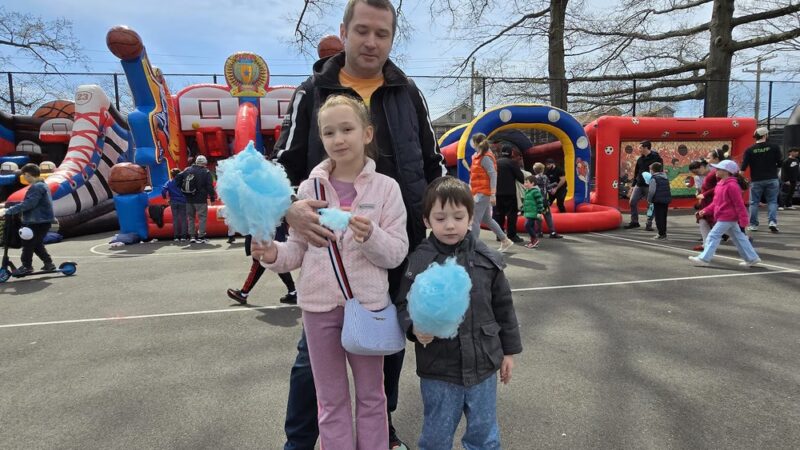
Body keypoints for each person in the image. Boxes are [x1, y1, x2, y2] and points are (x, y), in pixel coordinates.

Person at [270, 1, 445, 447]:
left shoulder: (407, 92)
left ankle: (381, 432)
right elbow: (282, 163)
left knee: (384, 344)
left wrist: (446, 228)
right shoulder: (313, 91)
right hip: (328, 254)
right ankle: (300, 441)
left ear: (392, 38)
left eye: (382, 34)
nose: (371, 42)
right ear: (344, 31)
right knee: (312, 363)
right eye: (362, 30)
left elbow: (432, 164)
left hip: (397, 243)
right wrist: (290, 208)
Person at [254, 94, 409, 449]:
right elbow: (297, 250)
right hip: (318, 308)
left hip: (367, 307)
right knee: (330, 399)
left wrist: (371, 236)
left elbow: (396, 253)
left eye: (347, 129)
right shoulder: (309, 189)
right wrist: (272, 253)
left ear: (367, 133)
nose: (338, 139)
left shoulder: (387, 189)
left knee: (372, 397)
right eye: (328, 132)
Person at [394, 176, 522, 450]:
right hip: (439, 369)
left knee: (484, 436)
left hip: (484, 365)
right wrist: (414, 328)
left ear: (471, 217)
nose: (450, 225)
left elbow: (504, 307)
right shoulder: (420, 260)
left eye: (458, 217)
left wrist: (509, 352)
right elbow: (403, 304)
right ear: (427, 221)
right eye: (440, 218)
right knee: (436, 437)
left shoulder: (486, 258)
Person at [689, 160, 760, 267]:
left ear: (727, 171)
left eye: (718, 169)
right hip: (724, 216)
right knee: (739, 237)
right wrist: (705, 210)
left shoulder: (732, 186)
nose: (715, 170)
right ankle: (752, 258)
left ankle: (704, 258)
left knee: (713, 235)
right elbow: (716, 202)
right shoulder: (720, 184)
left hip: (728, 217)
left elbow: (739, 204)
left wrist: (744, 219)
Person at [2, 163, 55, 276]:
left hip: (37, 221)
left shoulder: (36, 187)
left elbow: (29, 203)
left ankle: (27, 266)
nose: (24, 177)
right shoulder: (42, 185)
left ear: (28, 174)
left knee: (28, 244)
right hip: (41, 220)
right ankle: (48, 263)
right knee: (36, 244)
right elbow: (31, 202)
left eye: (24, 175)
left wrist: (10, 210)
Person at [226, 226, 297, 305]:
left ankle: (243, 293)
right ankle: (293, 292)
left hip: (266, 234)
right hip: (270, 234)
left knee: (260, 263)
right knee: (277, 263)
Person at [469, 134, 514, 252]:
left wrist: (493, 193)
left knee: (474, 220)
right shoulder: (479, 156)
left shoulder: (485, 157)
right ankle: (505, 240)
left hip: (482, 192)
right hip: (480, 191)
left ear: (476, 142)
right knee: (487, 219)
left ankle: (473, 247)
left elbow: (493, 174)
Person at [741, 126, 782, 233]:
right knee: (772, 201)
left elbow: (743, 166)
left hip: (756, 180)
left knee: (754, 203)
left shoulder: (749, 150)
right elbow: (780, 163)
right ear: (765, 135)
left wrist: (739, 178)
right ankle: (772, 222)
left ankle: (753, 225)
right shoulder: (774, 147)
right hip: (772, 178)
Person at [175, 154, 216, 243]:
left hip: (189, 198)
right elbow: (209, 186)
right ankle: (201, 236)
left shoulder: (187, 170)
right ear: (205, 163)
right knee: (202, 217)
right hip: (201, 199)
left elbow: (177, 177)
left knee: (191, 218)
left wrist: (181, 189)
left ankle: (192, 236)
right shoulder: (206, 172)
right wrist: (212, 197)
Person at [625, 140, 662, 230]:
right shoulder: (640, 159)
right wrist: (633, 186)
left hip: (650, 185)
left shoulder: (656, 158)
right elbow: (636, 173)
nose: (639, 149)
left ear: (646, 147)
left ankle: (649, 224)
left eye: (640, 148)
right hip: (639, 184)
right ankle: (634, 222)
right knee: (632, 202)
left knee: (651, 205)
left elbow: (659, 172)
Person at [493, 144, 525, 243]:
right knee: (512, 215)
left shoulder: (496, 162)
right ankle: (512, 235)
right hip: (510, 193)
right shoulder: (512, 163)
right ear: (511, 153)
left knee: (499, 214)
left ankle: (500, 235)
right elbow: (521, 178)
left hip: (497, 192)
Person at [532, 162, 563, 239]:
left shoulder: (533, 178)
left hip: (536, 201)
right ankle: (552, 232)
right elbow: (548, 187)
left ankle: (539, 232)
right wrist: (554, 185)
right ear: (542, 170)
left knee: (538, 216)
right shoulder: (545, 177)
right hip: (544, 201)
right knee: (548, 216)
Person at [161, 168, 189, 242]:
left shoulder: (169, 182)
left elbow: (163, 190)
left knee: (175, 219)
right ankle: (184, 236)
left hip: (173, 201)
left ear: (171, 175)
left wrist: (165, 198)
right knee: (183, 219)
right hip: (183, 201)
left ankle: (176, 236)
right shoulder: (183, 181)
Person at [646, 162, 672, 240]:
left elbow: (651, 191)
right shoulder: (665, 177)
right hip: (665, 200)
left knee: (658, 218)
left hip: (658, 200)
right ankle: (663, 233)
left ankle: (661, 234)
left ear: (653, 170)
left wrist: (649, 199)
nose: (650, 171)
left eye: (650, 169)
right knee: (663, 217)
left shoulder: (654, 178)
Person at [521, 174, 544, 249]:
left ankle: (535, 239)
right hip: (529, 213)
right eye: (525, 182)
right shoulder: (527, 191)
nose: (525, 184)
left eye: (527, 182)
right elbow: (526, 203)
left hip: (533, 213)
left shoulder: (535, 192)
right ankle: (533, 242)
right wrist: (522, 210)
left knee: (527, 225)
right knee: (531, 226)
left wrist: (539, 212)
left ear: (532, 183)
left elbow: (540, 202)